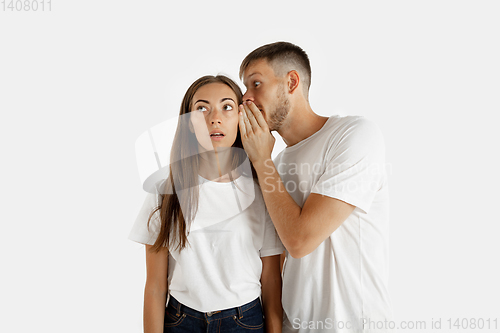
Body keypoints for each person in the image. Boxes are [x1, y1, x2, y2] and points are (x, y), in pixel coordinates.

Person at [237, 42, 393, 332]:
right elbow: (278, 260)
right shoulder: (277, 163)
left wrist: (261, 160)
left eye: (256, 83)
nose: (246, 98)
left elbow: (300, 240)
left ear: (292, 82)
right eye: (244, 88)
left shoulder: (354, 135)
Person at [128, 75, 284, 333]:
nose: (215, 118)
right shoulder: (166, 190)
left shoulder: (263, 191)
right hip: (180, 320)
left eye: (227, 107)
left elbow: (270, 280)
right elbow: (155, 285)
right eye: (202, 108)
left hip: (244, 322)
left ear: (240, 118)